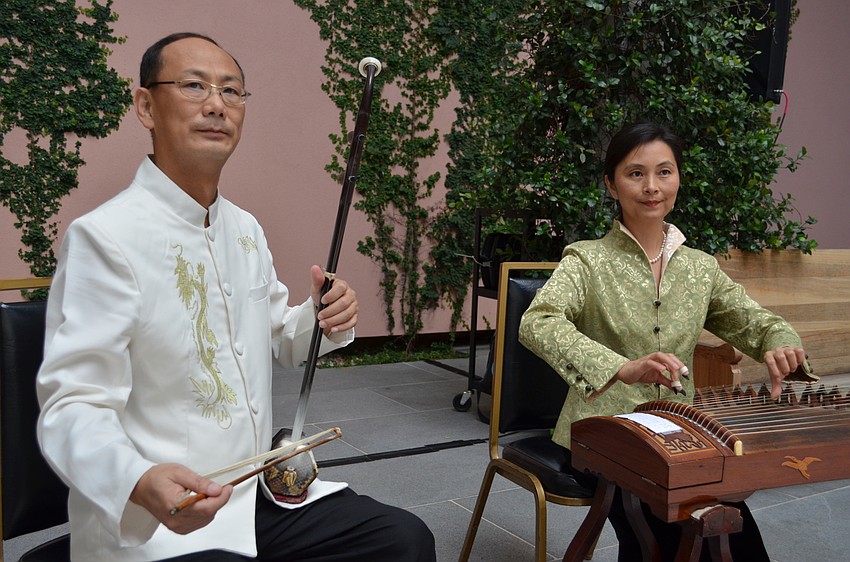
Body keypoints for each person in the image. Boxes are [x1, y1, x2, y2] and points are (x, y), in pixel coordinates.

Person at [36, 32, 436, 561]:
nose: (216, 105)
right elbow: (71, 405)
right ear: (145, 105)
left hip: (250, 497)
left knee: (403, 540)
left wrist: (321, 318)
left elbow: (277, 335)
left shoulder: (244, 228)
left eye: (231, 91)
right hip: (161, 518)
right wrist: (138, 478)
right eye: (193, 85)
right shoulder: (104, 237)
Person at [519, 122, 807, 561]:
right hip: (604, 434)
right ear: (611, 185)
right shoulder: (587, 259)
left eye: (664, 172)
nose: (651, 187)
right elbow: (537, 321)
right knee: (663, 526)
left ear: (678, 179)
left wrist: (778, 339)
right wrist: (621, 367)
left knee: (730, 528)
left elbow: (753, 320)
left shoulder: (699, 267)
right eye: (635, 174)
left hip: (681, 436)